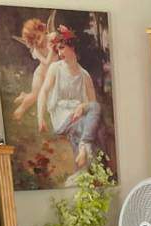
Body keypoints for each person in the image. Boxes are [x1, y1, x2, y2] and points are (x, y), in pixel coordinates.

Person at [37, 25, 102, 176]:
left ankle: (83, 154)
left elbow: (93, 105)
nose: (59, 53)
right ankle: (84, 153)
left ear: (72, 47)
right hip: (61, 117)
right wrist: (40, 119)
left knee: (93, 113)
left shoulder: (84, 75)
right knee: (83, 124)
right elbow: (43, 92)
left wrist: (82, 107)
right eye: (57, 50)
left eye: (62, 48)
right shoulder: (56, 69)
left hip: (77, 115)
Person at [12, 14, 57, 121]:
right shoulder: (36, 50)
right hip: (41, 74)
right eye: (34, 42)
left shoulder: (52, 37)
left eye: (38, 37)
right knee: (35, 95)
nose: (38, 42)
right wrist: (51, 50)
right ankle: (19, 111)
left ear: (42, 30)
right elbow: (46, 62)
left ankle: (23, 96)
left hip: (53, 73)